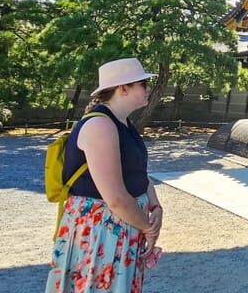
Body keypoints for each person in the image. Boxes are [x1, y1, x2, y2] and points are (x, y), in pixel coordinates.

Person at [46, 58, 163, 293]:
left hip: (125, 222)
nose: (148, 88)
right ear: (123, 88)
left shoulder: (123, 123)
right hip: (102, 227)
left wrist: (156, 206)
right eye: (142, 83)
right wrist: (148, 227)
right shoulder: (100, 126)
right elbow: (116, 197)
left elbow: (139, 174)